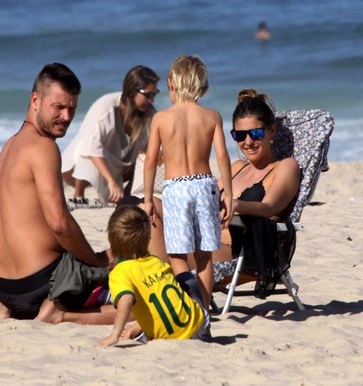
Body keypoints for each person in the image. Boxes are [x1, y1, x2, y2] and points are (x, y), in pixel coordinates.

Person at [0, 63, 116, 324]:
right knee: (138, 300)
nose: (67, 117)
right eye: (59, 107)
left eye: (72, 108)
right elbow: (59, 224)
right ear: (36, 100)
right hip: (39, 285)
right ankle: (60, 313)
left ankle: (9, 306)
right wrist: (94, 264)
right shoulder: (43, 147)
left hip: (2, 286)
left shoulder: (10, 145)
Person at [144, 89, 301, 295]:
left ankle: (158, 290)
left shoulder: (285, 167)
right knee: (147, 207)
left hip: (236, 250)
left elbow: (268, 208)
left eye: (255, 133)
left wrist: (236, 204)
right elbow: (205, 197)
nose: (247, 142)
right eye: (239, 135)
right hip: (204, 238)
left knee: (149, 259)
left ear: (271, 131)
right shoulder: (237, 167)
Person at [143, 55, 233, 310]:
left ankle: (192, 306)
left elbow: (150, 161)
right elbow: (223, 156)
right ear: (202, 86)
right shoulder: (212, 116)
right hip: (205, 184)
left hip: (176, 188)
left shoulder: (161, 118)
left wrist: (149, 199)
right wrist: (229, 194)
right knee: (204, 257)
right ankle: (204, 307)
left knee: (177, 256)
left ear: (171, 84)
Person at [98, 205, 210, 347]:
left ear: (112, 240)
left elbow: (126, 299)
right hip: (199, 325)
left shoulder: (119, 273)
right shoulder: (158, 262)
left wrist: (114, 335)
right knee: (184, 278)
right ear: (148, 237)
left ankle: (139, 332)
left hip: (169, 339)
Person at [61, 65, 159, 205]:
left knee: (145, 159)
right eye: (147, 94)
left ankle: (125, 196)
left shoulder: (149, 113)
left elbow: (152, 151)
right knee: (88, 147)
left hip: (116, 166)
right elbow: (93, 147)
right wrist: (111, 182)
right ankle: (79, 193)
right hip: (77, 169)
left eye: (154, 94)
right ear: (132, 91)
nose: (151, 100)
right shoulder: (108, 106)